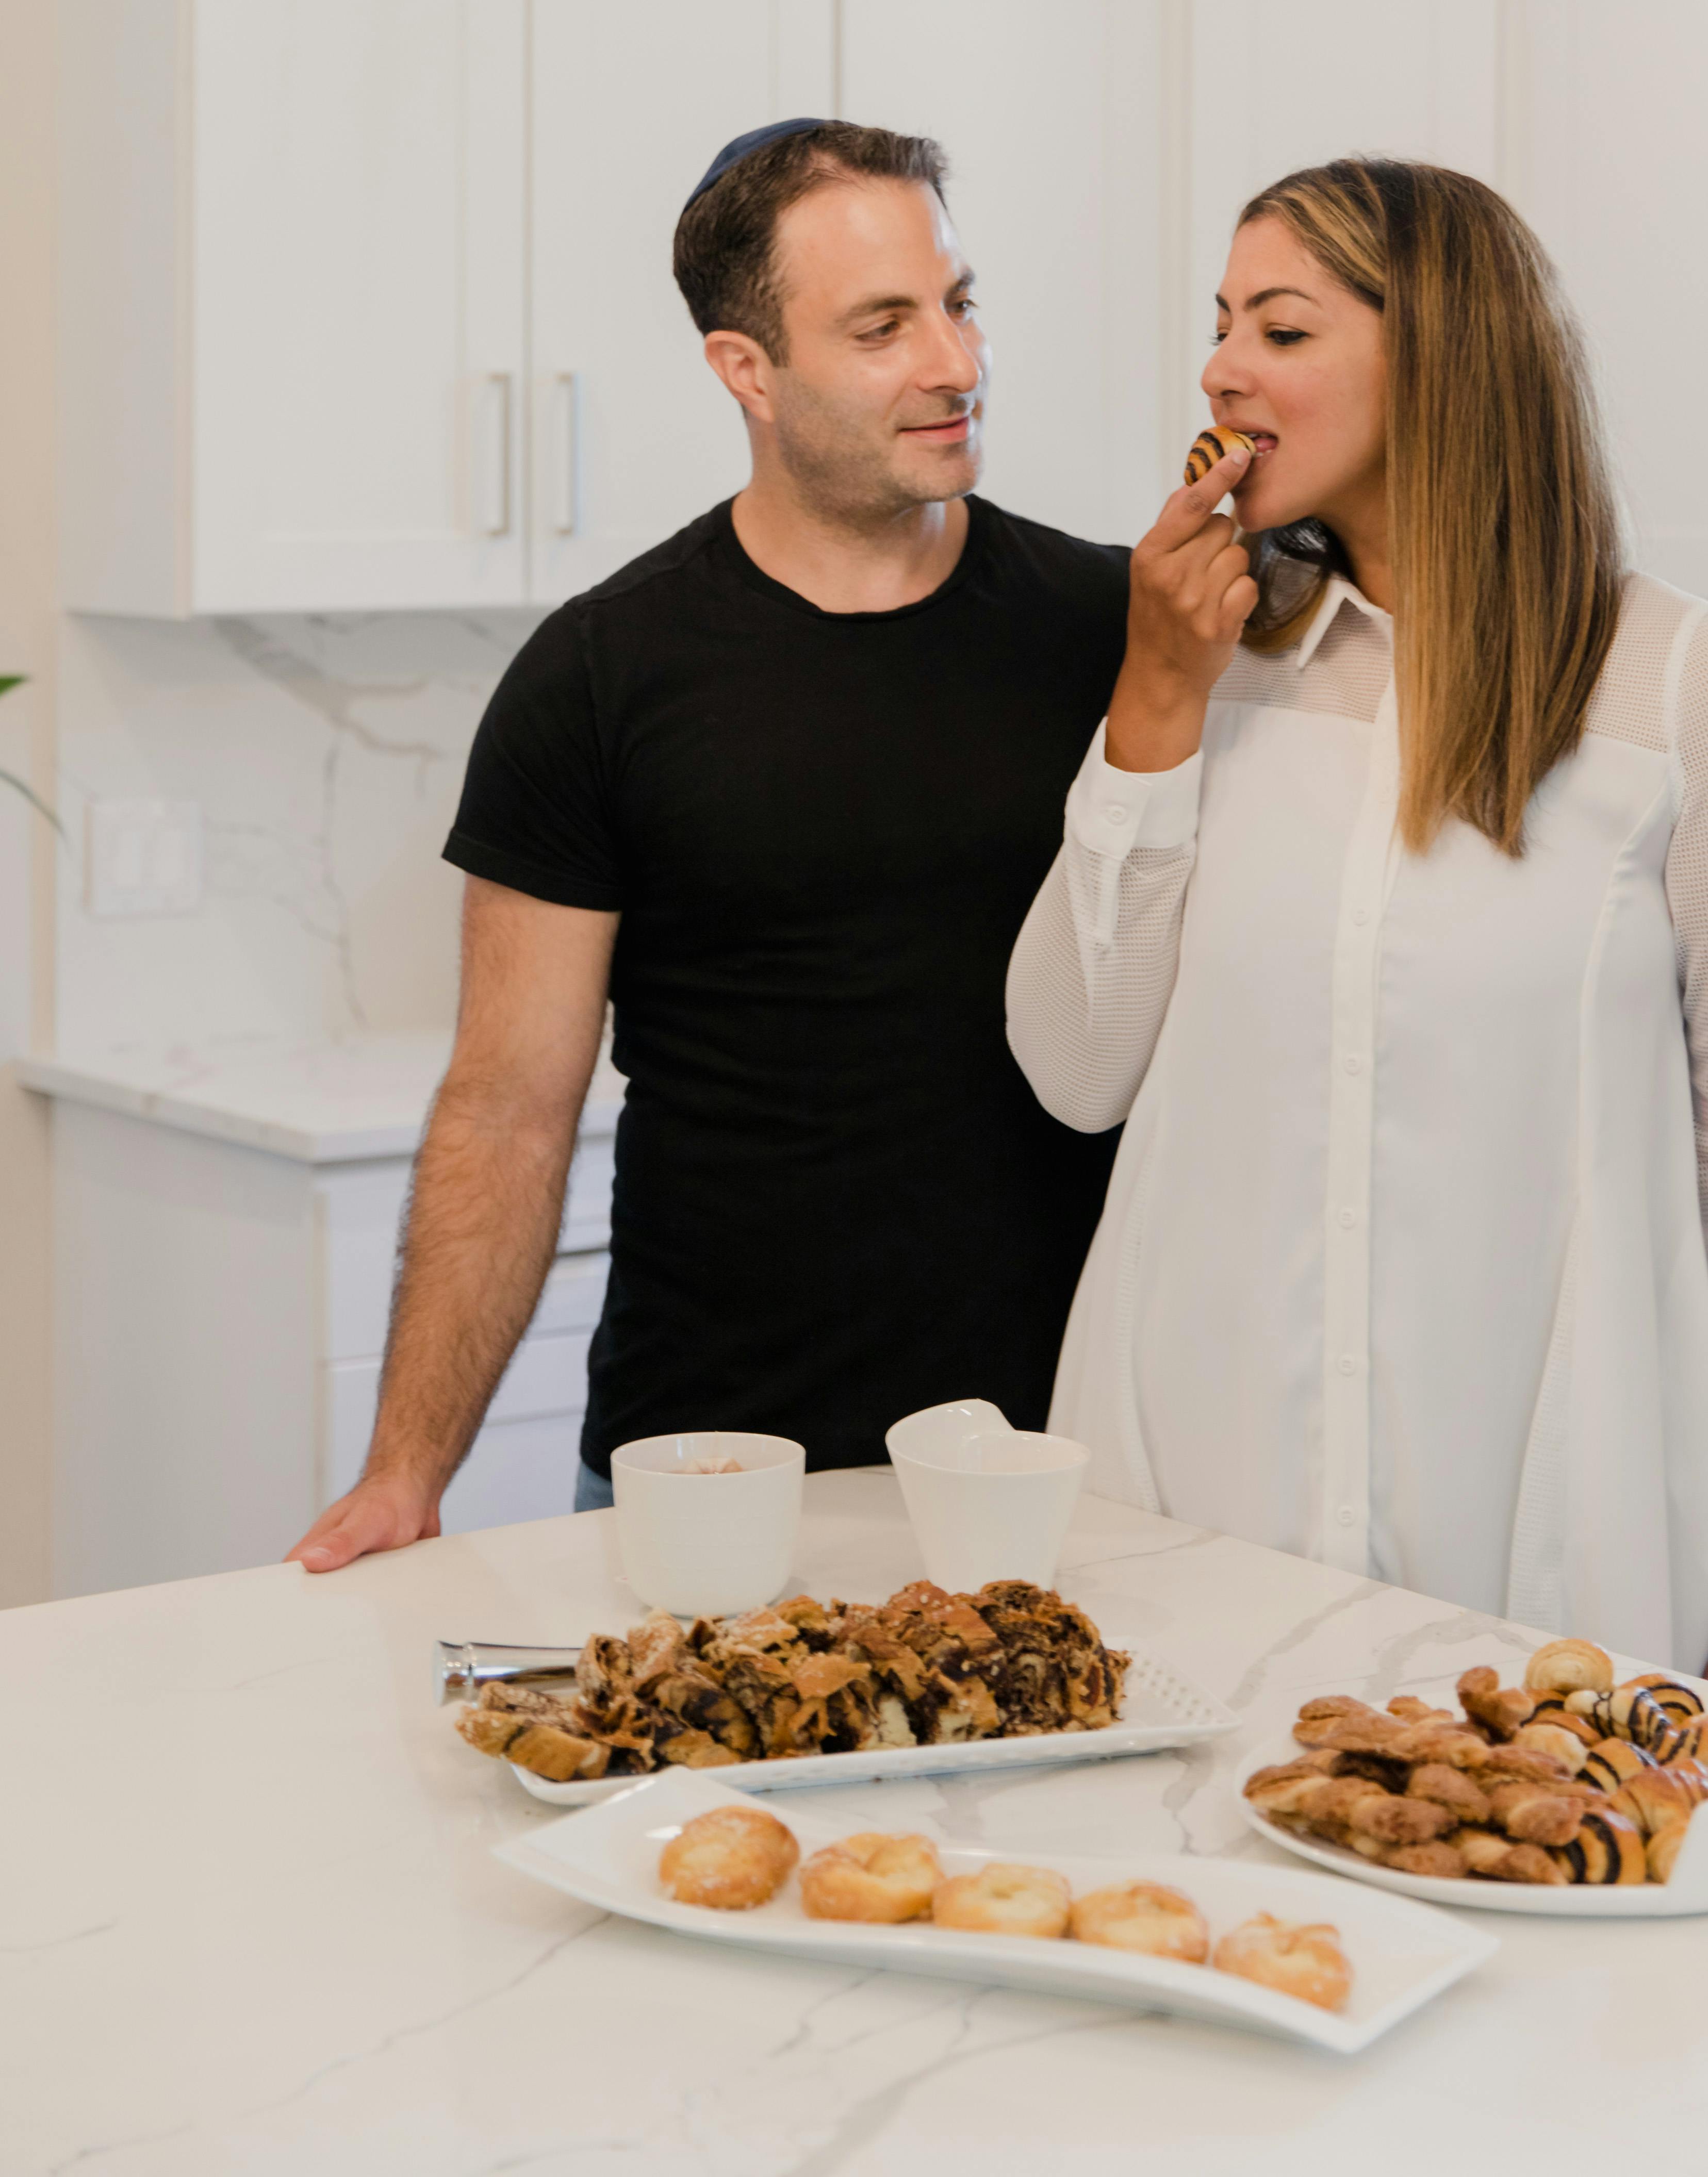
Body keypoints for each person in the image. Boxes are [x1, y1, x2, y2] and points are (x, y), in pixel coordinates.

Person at [1006, 155, 1708, 1687]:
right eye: (1220, 326)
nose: (1220, 367)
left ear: (1443, 354)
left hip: (1547, 1566)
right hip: (1191, 1546)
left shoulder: (1680, 695)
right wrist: (1151, 703)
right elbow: (1077, 1071)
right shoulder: (1213, 670)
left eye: (1281, 329)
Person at [291, 118, 1125, 1570]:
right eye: (883, 326)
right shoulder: (602, 675)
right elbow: (506, 1108)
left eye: (959, 302)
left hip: (1061, 1463)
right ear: (747, 369)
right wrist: (405, 1472)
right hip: (713, 1472)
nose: (957, 364)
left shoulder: (1118, 634)